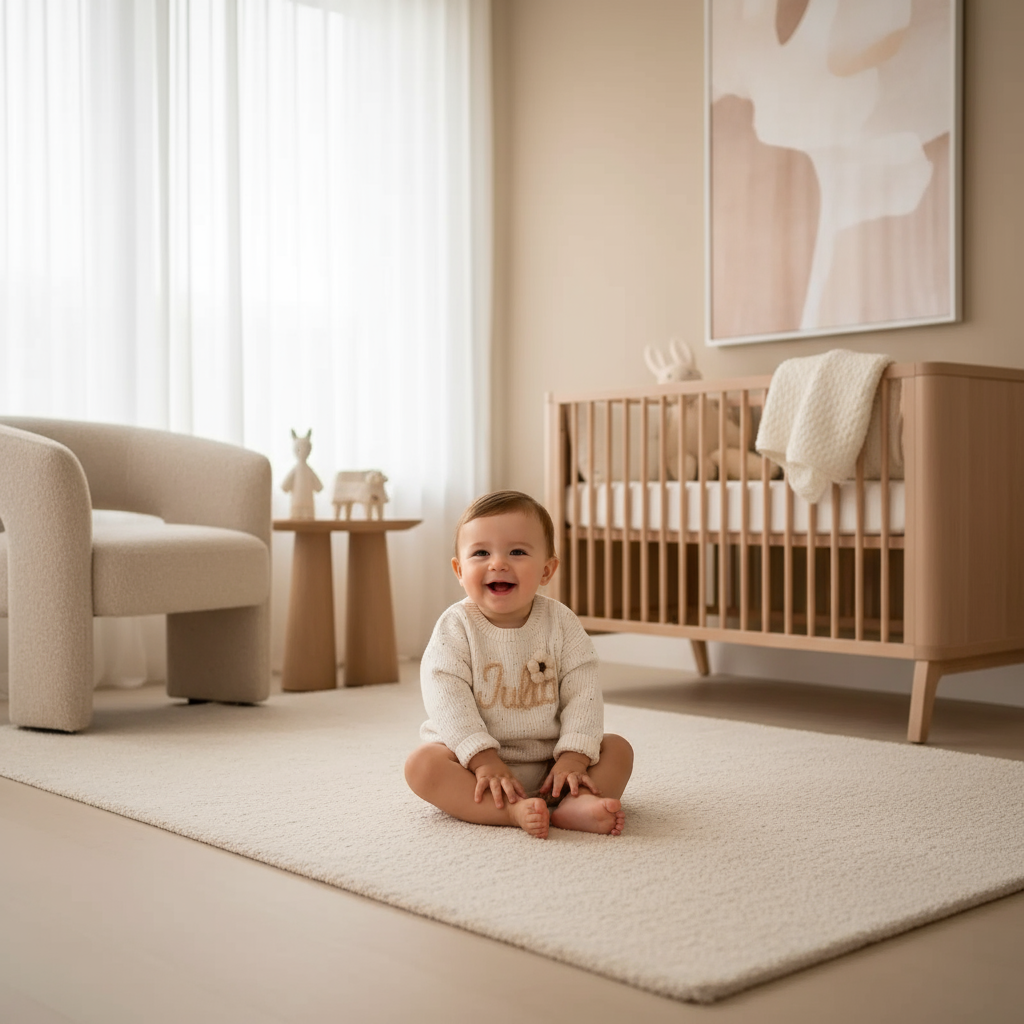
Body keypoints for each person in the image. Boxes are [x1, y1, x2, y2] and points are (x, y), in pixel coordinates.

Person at [404, 490, 633, 839]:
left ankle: (575, 802)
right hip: (474, 768)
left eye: (517, 552)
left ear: (547, 569)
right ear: (459, 569)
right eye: (481, 553)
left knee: (617, 749)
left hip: (552, 766)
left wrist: (574, 756)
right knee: (421, 766)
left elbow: (583, 691)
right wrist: (482, 758)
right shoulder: (455, 627)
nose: (498, 563)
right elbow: (446, 699)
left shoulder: (561, 623)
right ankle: (512, 812)